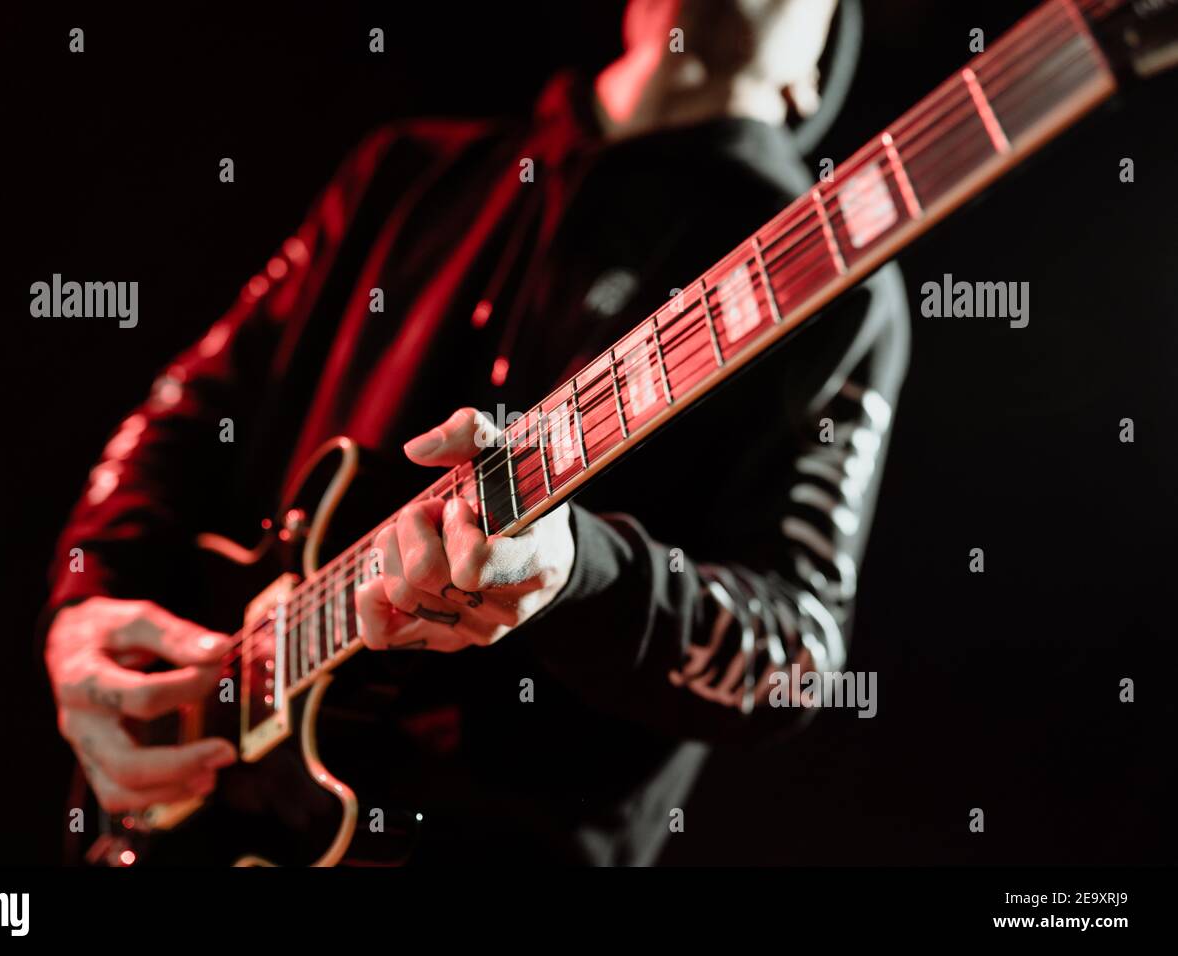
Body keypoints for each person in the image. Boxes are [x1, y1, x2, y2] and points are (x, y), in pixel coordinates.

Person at [45, 0, 909, 865]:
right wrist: (87, 604)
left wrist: (584, 572)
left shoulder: (834, 273)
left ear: (817, 70)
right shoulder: (404, 170)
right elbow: (181, 410)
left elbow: (793, 655)